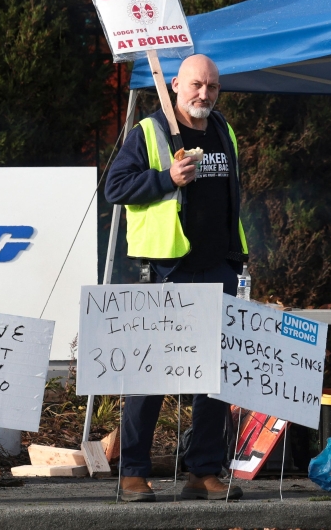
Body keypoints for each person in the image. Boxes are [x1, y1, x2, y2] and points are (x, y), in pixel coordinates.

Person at [104, 53, 248, 502]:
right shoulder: (149, 131)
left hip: (218, 267)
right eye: (196, 85)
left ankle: (203, 472)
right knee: (153, 373)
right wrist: (166, 178)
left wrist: (237, 259)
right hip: (167, 268)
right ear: (174, 87)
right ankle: (133, 472)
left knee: (217, 376)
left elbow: (230, 199)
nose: (204, 94)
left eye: (212, 87)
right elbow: (115, 187)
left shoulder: (223, 130)